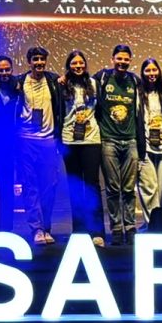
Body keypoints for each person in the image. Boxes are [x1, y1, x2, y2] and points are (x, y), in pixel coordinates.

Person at [92, 45, 145, 245]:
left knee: (129, 188)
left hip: (130, 140)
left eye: (126, 59)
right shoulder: (102, 78)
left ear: (130, 61)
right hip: (108, 140)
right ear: (112, 59)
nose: (122, 62)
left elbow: (151, 88)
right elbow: (82, 83)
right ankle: (115, 228)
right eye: (119, 58)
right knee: (113, 188)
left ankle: (130, 227)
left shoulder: (135, 81)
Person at [16, 47, 66, 245]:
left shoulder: (53, 81)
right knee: (30, 186)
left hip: (48, 140)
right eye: (35, 59)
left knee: (49, 186)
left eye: (42, 59)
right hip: (26, 140)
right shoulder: (19, 81)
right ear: (29, 62)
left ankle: (46, 227)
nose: (39, 62)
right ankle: (36, 228)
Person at [60, 50, 106, 247]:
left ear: (85, 65)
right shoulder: (61, 85)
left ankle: (97, 232)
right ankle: (78, 230)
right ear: (68, 66)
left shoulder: (94, 84)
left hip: (91, 139)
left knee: (92, 185)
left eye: (81, 63)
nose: (78, 66)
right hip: (69, 140)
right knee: (75, 187)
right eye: (74, 63)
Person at [0, 56, 21, 231]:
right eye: (0, 70)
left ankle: (6, 229)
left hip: (8, 146)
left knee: (6, 188)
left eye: (7, 69)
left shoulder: (18, 87)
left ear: (12, 70)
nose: (4, 73)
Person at [137, 58, 162, 226]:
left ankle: (157, 221)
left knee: (160, 188)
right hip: (146, 146)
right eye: (148, 70)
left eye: (154, 70)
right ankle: (152, 224)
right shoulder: (138, 93)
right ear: (142, 73)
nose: (151, 73)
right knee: (149, 187)